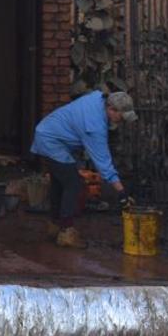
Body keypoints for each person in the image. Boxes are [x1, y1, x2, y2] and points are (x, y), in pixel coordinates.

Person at [30, 90, 137, 248]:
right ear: (111, 109)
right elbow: (103, 163)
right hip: (52, 142)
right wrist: (121, 192)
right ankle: (66, 232)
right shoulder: (94, 127)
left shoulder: (97, 98)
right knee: (74, 184)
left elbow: (98, 94)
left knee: (60, 183)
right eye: (121, 117)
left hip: (47, 132)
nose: (121, 121)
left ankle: (54, 225)